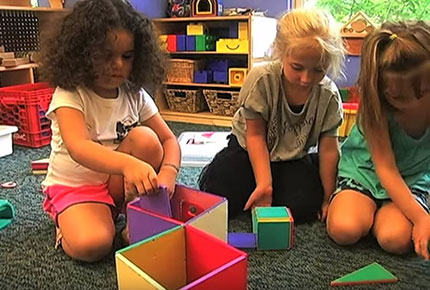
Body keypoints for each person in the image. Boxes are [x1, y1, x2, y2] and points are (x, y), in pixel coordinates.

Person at [39, 0, 181, 262]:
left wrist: (169, 172)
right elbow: (79, 147)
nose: (117, 65)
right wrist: (128, 165)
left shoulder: (134, 93)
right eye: (106, 55)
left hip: (116, 185)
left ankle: (126, 211)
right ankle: (67, 221)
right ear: (81, 53)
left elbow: (168, 139)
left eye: (126, 56)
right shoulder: (70, 94)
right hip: (77, 188)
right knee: (93, 246)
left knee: (147, 140)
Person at [199, 8, 345, 223]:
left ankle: (283, 184)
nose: (306, 79)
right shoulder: (261, 79)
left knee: (303, 208)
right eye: (297, 67)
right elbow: (255, 136)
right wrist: (264, 184)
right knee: (218, 195)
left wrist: (328, 197)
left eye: (318, 70)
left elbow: (329, 149)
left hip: (292, 158)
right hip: (248, 150)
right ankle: (258, 184)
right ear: (281, 52)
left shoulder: (328, 95)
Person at [326, 21, 430, 260]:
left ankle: (386, 214)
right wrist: (422, 218)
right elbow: (386, 169)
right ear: (384, 94)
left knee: (395, 238)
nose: (414, 104)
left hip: (410, 179)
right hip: (365, 173)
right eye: (399, 98)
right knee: (344, 228)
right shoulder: (378, 110)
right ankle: (370, 209)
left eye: (423, 93)